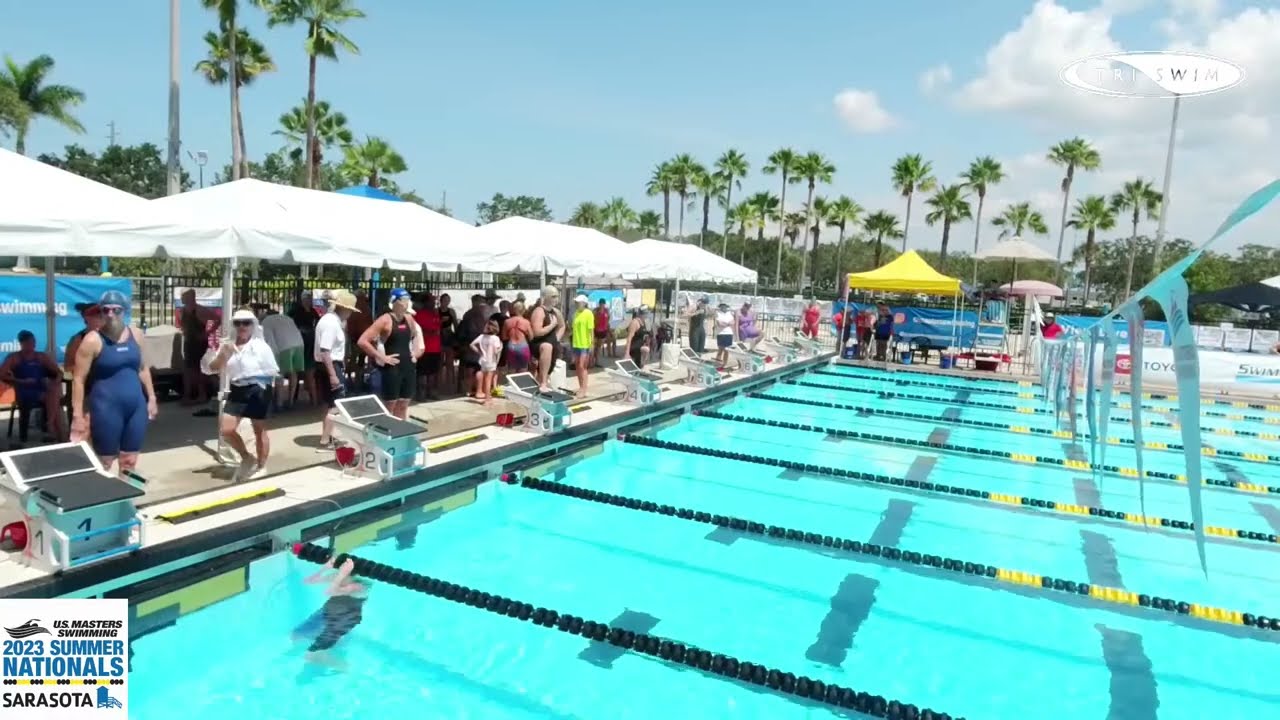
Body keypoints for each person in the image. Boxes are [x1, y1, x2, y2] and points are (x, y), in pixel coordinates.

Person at [70, 290, 157, 475]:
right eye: (106, 310)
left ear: (124, 311)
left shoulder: (137, 334)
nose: (110, 314)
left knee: (129, 461)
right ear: (101, 312)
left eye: (116, 310)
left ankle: (125, 502)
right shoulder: (92, 340)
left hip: (135, 407)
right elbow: (78, 379)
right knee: (105, 463)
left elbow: (142, 368)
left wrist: (151, 397)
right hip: (106, 408)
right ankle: (103, 502)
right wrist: (77, 416)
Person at [207, 309, 278, 481]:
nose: (242, 327)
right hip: (237, 388)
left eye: (246, 323)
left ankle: (261, 465)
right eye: (238, 323)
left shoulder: (261, 346)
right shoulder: (228, 345)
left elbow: (273, 370)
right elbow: (212, 367)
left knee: (258, 429)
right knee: (226, 429)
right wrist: (224, 355)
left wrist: (265, 391)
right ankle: (247, 457)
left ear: (253, 325)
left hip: (258, 388)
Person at [357, 288, 423, 420]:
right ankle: (386, 434)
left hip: (408, 366)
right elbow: (363, 341)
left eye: (407, 300)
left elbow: (416, 337)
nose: (407, 303)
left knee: (404, 403)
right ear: (395, 302)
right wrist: (381, 357)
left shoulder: (409, 319)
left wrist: (415, 353)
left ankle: (400, 434)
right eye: (404, 300)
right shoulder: (385, 320)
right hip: (392, 368)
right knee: (390, 405)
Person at [293, 555, 369, 668]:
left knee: (312, 655)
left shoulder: (359, 586)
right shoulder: (339, 576)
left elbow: (330, 592)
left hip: (343, 620)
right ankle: (336, 645)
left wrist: (341, 575)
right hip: (326, 612)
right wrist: (325, 568)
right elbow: (309, 581)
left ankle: (345, 669)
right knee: (296, 635)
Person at [315, 290, 360, 452]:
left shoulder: (329, 320)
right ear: (344, 309)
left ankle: (327, 436)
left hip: (329, 364)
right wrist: (333, 374)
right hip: (331, 365)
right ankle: (325, 440)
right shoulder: (331, 323)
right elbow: (325, 350)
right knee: (335, 405)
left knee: (330, 404)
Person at [0, 330, 63, 442]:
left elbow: (58, 372)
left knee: (53, 391)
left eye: (33, 342)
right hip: (24, 391)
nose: (32, 345)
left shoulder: (41, 356)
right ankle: (53, 430)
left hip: (41, 389)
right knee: (54, 398)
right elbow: (2, 374)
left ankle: (50, 426)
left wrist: (56, 380)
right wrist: (20, 380)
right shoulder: (14, 358)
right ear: (22, 344)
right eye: (29, 343)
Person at [260, 305, 308, 410]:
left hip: (284, 346)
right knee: (293, 372)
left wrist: (273, 356)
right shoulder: (286, 317)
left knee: (280, 373)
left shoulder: (266, 322)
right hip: (299, 344)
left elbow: (270, 341)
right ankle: (290, 400)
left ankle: (279, 402)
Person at [179, 289, 217, 406]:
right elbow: (184, 325)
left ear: (191, 297)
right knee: (188, 369)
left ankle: (202, 394)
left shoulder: (200, 310)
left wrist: (208, 332)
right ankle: (187, 395)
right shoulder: (183, 310)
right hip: (189, 342)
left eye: (184, 296)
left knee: (199, 369)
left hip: (199, 343)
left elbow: (217, 319)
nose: (182, 298)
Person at [528, 286, 563, 392]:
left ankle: (544, 381)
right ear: (546, 297)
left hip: (551, 343)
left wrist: (556, 339)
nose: (556, 299)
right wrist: (552, 325)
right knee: (547, 347)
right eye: (553, 296)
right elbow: (536, 332)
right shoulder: (539, 311)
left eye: (557, 296)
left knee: (550, 362)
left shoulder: (556, 312)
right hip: (539, 344)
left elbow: (562, 326)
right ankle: (543, 382)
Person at [413, 293, 443, 400]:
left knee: (433, 373)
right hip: (424, 349)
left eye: (434, 301)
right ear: (425, 302)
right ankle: (421, 394)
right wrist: (431, 333)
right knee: (422, 373)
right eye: (431, 301)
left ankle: (432, 392)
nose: (433, 303)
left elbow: (438, 330)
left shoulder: (435, 314)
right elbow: (417, 331)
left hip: (436, 348)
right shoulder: (419, 315)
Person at [469, 320, 502, 404]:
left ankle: (486, 395)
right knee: (488, 380)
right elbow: (496, 351)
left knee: (485, 377)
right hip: (491, 361)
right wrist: (501, 347)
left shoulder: (482, 336)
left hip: (483, 360)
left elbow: (471, 344)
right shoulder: (495, 338)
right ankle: (487, 398)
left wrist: (479, 352)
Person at [571, 295, 594, 399]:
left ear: (584, 303)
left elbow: (591, 330)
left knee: (582, 366)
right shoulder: (576, 313)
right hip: (576, 344)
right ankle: (581, 387)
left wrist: (591, 344)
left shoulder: (588, 313)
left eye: (578, 302)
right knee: (577, 367)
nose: (577, 304)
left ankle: (584, 389)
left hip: (585, 344)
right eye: (576, 302)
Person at [502, 300, 533, 375]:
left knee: (511, 370)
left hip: (511, 346)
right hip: (522, 346)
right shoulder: (526, 322)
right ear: (523, 310)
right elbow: (531, 337)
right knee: (523, 370)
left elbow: (504, 337)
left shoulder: (507, 322)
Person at [437, 293, 459, 393]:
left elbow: (455, 324)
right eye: (444, 300)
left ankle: (450, 383)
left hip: (449, 335)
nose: (446, 302)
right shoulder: (436, 311)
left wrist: (457, 337)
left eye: (448, 300)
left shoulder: (451, 311)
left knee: (450, 362)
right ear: (441, 301)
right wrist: (440, 321)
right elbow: (434, 323)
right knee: (440, 362)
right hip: (439, 335)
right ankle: (439, 384)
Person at [714, 302, 735, 367]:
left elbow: (733, 322)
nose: (723, 307)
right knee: (721, 349)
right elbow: (719, 324)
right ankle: (717, 364)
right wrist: (728, 324)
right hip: (721, 333)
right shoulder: (718, 314)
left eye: (724, 306)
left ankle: (724, 364)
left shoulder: (729, 314)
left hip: (729, 333)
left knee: (727, 350)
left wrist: (725, 324)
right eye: (722, 306)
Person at [593, 298, 613, 363]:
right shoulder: (595, 311)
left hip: (603, 331)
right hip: (596, 330)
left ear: (604, 304)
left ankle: (597, 361)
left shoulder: (606, 311)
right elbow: (593, 320)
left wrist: (609, 330)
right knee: (594, 346)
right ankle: (593, 360)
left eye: (603, 304)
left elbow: (608, 320)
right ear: (599, 304)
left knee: (599, 346)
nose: (602, 305)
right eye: (601, 303)